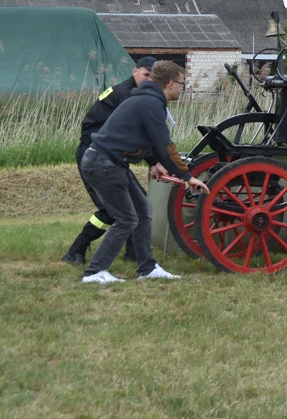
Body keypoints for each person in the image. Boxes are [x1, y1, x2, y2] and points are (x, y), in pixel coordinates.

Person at [80, 60, 207, 284]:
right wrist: (187, 177)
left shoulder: (144, 99)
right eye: (182, 83)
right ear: (170, 84)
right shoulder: (151, 104)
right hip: (104, 163)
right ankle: (94, 272)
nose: (182, 88)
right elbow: (165, 146)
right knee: (127, 219)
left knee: (143, 211)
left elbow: (144, 138)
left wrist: (155, 163)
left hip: (111, 162)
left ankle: (147, 268)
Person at [61, 56, 156, 265]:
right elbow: (95, 129)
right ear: (135, 72)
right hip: (95, 156)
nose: (149, 80)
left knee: (138, 204)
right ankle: (75, 251)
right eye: (146, 75)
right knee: (110, 210)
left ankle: (133, 255)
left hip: (114, 159)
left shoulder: (137, 95)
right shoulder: (125, 95)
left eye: (153, 77)